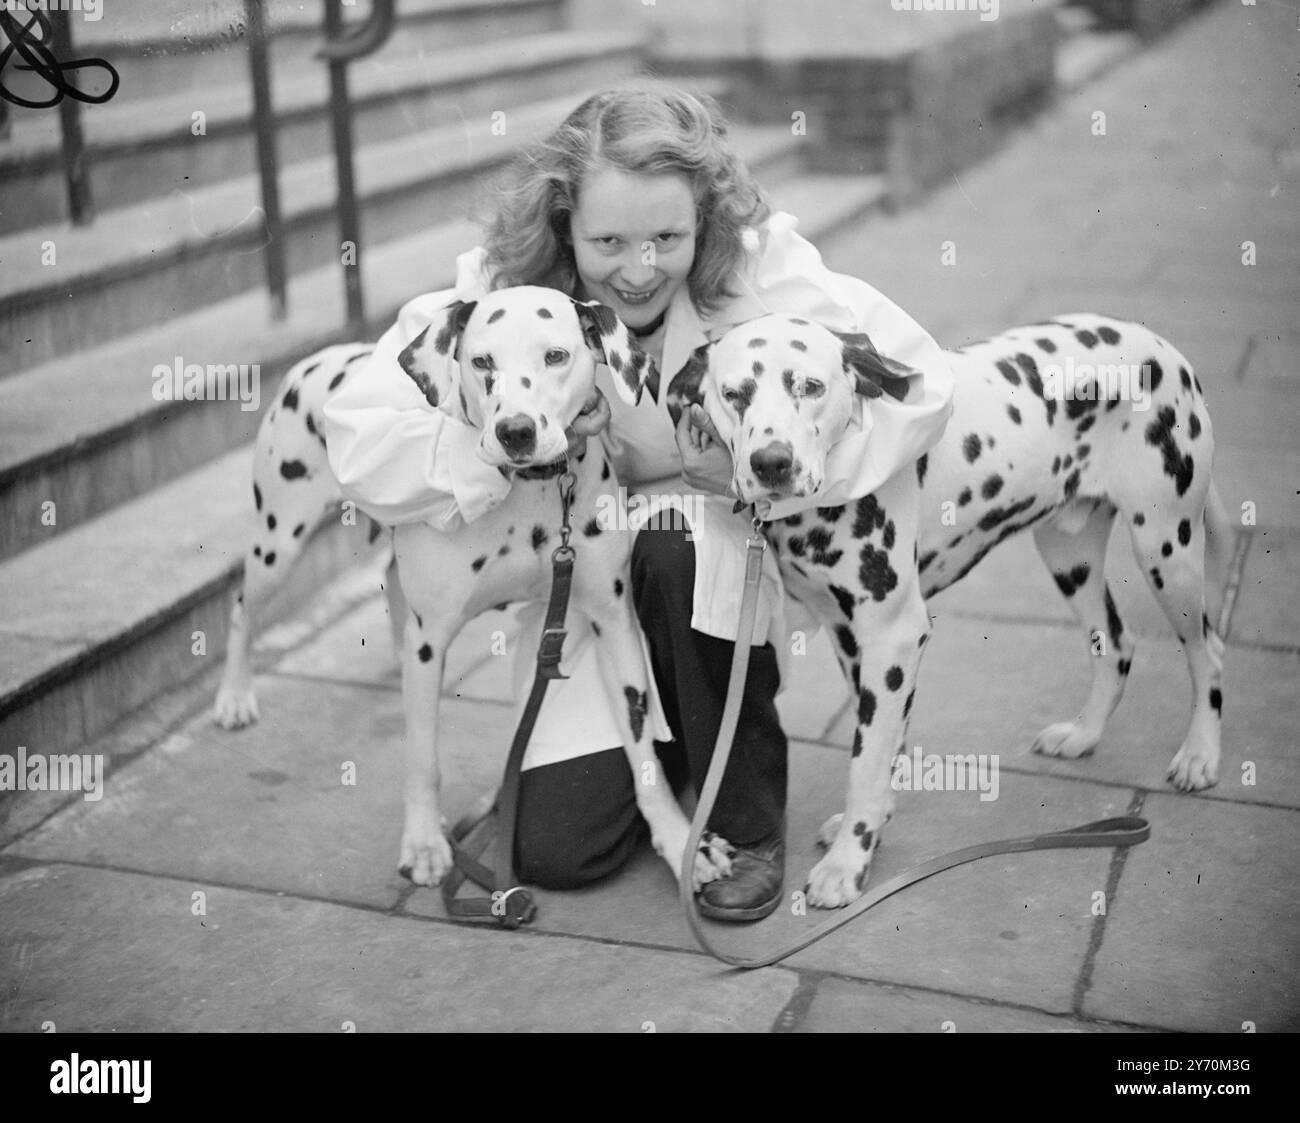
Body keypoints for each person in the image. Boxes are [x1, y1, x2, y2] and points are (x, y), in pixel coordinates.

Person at [323, 82, 954, 921]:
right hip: (588, 595)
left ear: (706, 219)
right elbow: (357, 434)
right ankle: (663, 751)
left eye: (668, 235)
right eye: (608, 239)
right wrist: (493, 455)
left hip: (706, 555)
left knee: (671, 536)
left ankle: (742, 811)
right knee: (559, 853)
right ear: (562, 225)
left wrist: (767, 475)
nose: (641, 266)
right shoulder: (499, 294)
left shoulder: (766, 274)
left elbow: (921, 384)